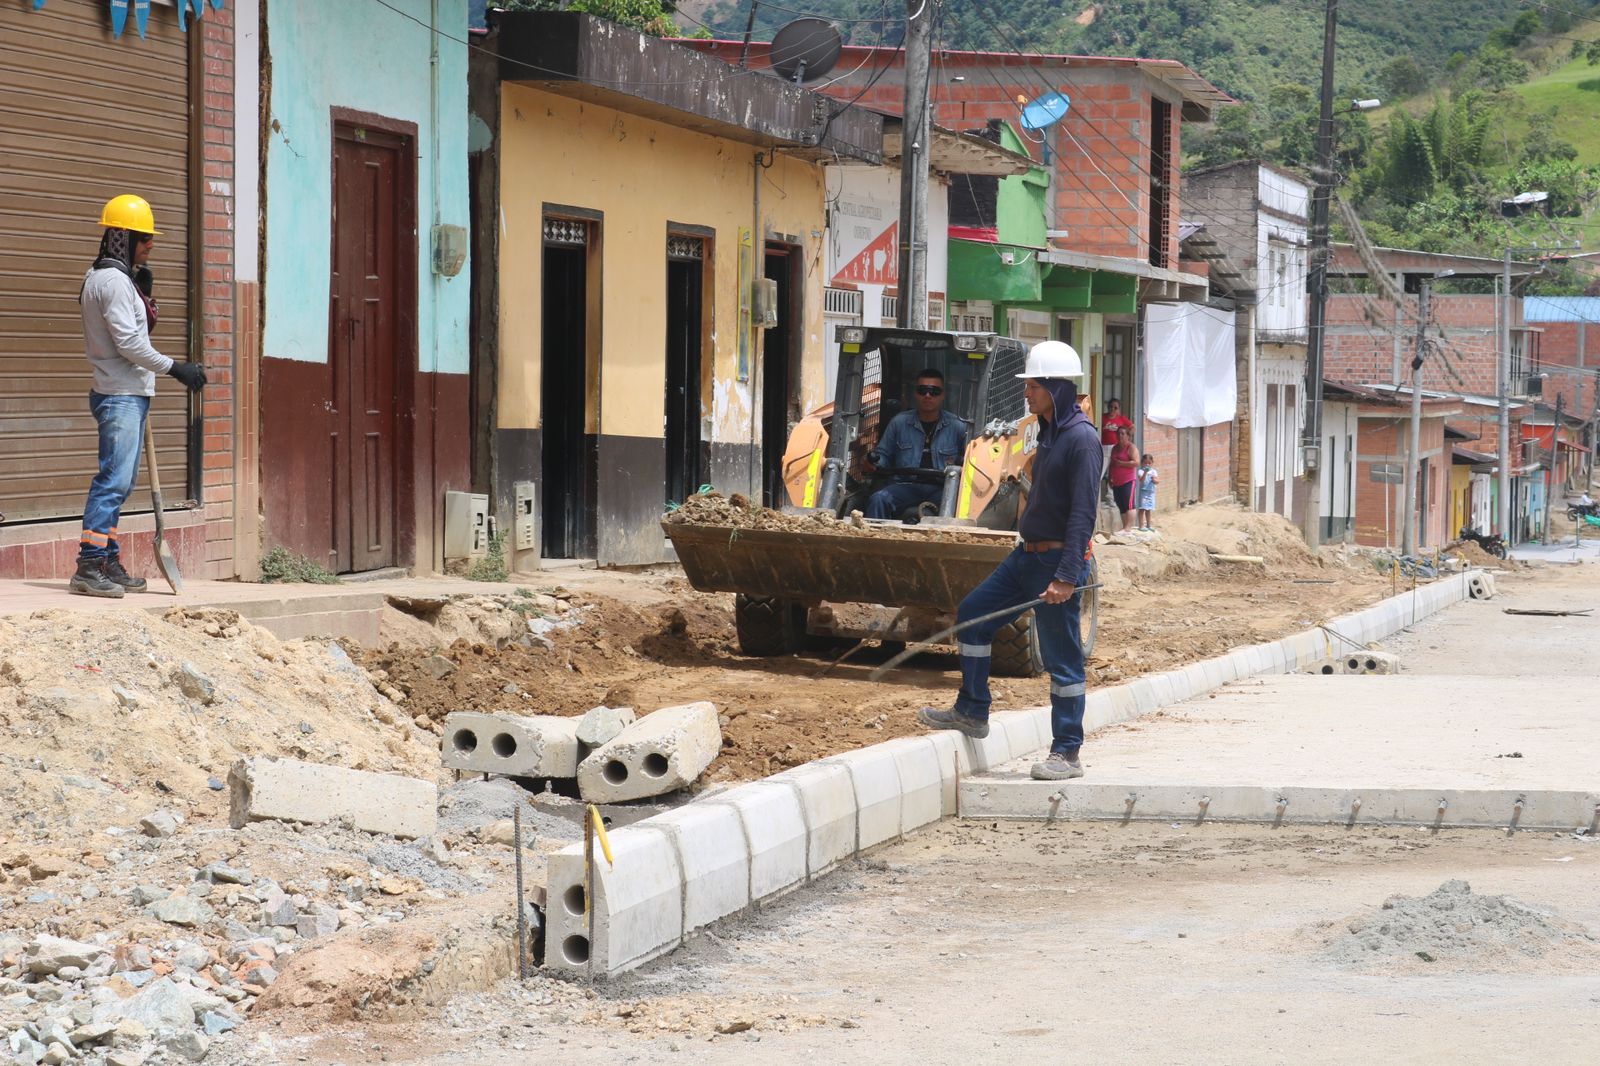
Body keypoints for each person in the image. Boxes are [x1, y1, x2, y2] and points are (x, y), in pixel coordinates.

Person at [917, 340, 1101, 782]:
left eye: (1033, 386)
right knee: (973, 614)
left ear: (1056, 387)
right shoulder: (1049, 433)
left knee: (1062, 659)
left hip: (1055, 563)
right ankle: (972, 710)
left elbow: (1082, 516)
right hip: (1025, 556)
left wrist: (1065, 576)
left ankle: (1067, 752)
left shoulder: (1081, 439)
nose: (1027, 394)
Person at [71, 194, 206, 598]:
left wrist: (143, 296)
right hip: (120, 396)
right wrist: (175, 368)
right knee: (113, 482)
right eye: (144, 237)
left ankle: (107, 557)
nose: (151, 244)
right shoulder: (111, 282)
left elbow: (134, 331)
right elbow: (129, 342)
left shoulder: (116, 278)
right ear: (123, 236)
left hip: (127, 393)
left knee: (121, 483)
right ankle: (89, 565)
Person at [862, 368, 968, 521]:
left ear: (943, 395)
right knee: (878, 499)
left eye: (934, 391)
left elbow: (969, 461)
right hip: (905, 485)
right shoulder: (899, 423)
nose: (927, 395)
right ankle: (875, 542)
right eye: (922, 390)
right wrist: (873, 462)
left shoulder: (957, 426)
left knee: (958, 506)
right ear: (915, 393)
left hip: (943, 488)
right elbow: (883, 455)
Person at [1108, 425, 1138, 531]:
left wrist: (1121, 463)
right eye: (1118, 433)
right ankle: (1125, 527)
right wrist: (1110, 477)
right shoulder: (1115, 448)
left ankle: (1128, 528)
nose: (1120, 436)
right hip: (1117, 481)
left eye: (1122, 433)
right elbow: (1111, 463)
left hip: (1128, 480)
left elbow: (1136, 462)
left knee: (1129, 504)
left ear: (1128, 436)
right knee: (1121, 505)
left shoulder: (1131, 447)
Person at [1135, 453, 1159, 531]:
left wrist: (1154, 480)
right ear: (1142, 463)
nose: (1147, 464)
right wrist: (1145, 472)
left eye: (1149, 463)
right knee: (1142, 509)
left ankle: (1149, 525)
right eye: (1145, 463)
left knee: (1148, 509)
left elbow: (1157, 481)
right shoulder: (1140, 471)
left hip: (1151, 492)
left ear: (1152, 463)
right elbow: (1141, 480)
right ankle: (1141, 525)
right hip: (1144, 492)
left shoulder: (1154, 471)